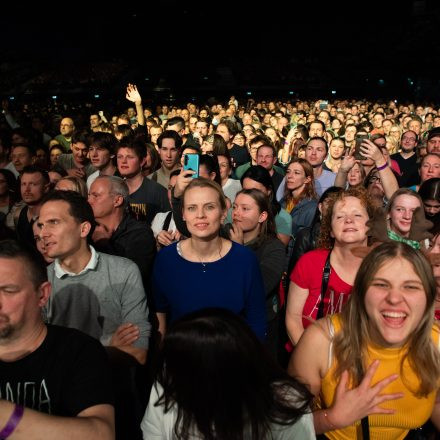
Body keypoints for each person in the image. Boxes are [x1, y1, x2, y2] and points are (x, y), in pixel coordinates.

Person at [289, 242, 440, 439]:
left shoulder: (436, 344)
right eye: (381, 284)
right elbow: (282, 423)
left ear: (428, 297)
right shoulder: (322, 341)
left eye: (410, 287)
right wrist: (331, 418)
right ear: (360, 292)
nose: (394, 298)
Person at [141, 308, 314, 439]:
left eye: (178, 362)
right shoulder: (168, 381)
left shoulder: (288, 403)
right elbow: (152, 434)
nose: (167, 369)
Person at [0, 239, 114, 438]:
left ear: (43, 295)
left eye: (8, 291)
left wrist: (9, 419)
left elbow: (101, 433)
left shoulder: (78, 351)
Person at [37, 190, 151, 366]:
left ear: (83, 229)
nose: (43, 233)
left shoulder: (124, 271)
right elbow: (38, 357)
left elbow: (138, 352)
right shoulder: (40, 282)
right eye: (41, 225)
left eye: (54, 222)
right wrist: (107, 346)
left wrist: (65, 355)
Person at [152, 178, 266, 340]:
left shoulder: (245, 260)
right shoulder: (166, 259)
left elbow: (257, 322)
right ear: (183, 214)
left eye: (209, 207)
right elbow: (160, 316)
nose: (200, 215)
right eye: (192, 208)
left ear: (223, 213)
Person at [285, 187, 373, 345]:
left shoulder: (382, 269)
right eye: (340, 216)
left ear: (370, 225)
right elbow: (293, 319)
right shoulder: (309, 263)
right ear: (331, 230)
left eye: (357, 215)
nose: (349, 220)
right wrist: (313, 360)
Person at [229, 188, 285, 357]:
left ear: (262, 216)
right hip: (228, 325)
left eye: (245, 209)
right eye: (235, 207)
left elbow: (256, 288)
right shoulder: (223, 235)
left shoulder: (273, 248)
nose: (237, 213)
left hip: (258, 330)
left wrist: (238, 251)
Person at [281, 158, 318, 238]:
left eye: (296, 173)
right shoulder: (284, 201)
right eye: (288, 172)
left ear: (307, 179)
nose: (290, 176)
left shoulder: (312, 208)